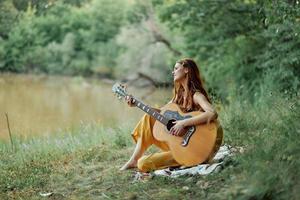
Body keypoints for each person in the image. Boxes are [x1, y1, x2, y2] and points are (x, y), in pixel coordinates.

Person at [120, 58, 221, 172]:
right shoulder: (178, 97)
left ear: (187, 70)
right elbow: (161, 113)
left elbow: (212, 113)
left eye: (176, 68)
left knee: (143, 163)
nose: (173, 72)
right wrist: (136, 103)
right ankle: (133, 160)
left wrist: (182, 123)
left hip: (196, 150)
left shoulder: (196, 95)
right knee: (148, 117)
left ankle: (185, 160)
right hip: (179, 143)